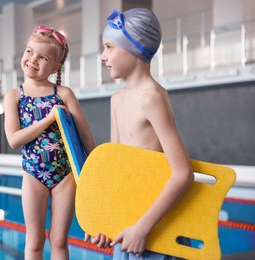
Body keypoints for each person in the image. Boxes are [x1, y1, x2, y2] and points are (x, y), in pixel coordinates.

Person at [86, 8, 194, 260]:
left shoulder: (151, 98)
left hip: (155, 228)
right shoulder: (116, 99)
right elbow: (116, 170)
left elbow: (183, 173)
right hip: (127, 223)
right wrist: (106, 223)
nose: (103, 56)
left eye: (110, 47)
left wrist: (142, 228)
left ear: (134, 48)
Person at [3, 25, 96, 260]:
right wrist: (48, 119)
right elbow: (14, 139)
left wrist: (96, 174)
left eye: (42, 57)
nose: (33, 60)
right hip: (33, 174)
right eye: (29, 52)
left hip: (65, 176)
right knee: (34, 242)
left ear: (55, 67)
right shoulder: (15, 96)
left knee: (59, 241)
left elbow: (85, 136)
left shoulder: (64, 94)